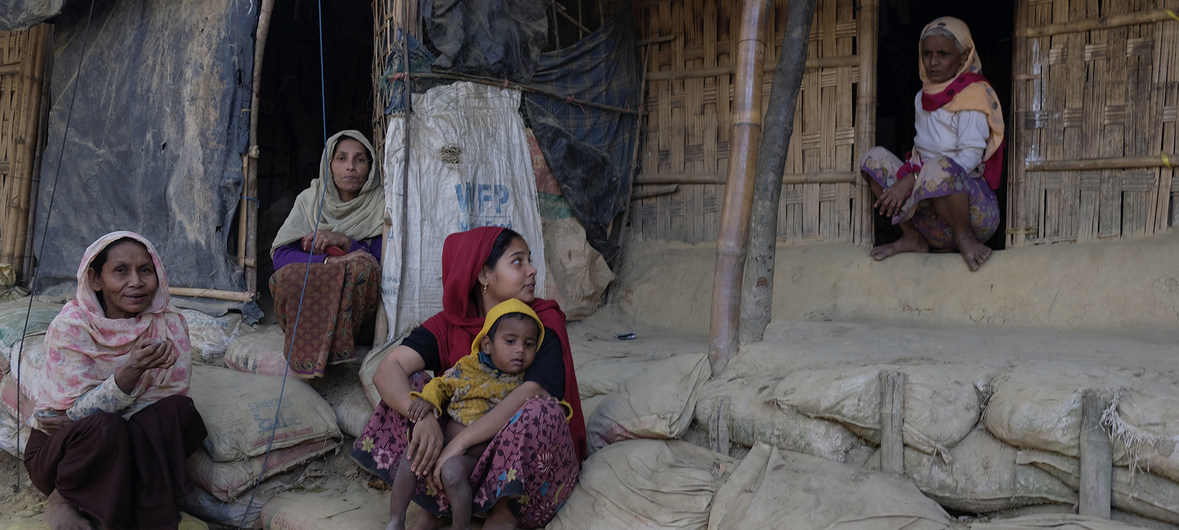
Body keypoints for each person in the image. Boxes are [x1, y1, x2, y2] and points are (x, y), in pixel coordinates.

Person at [353, 226, 585, 530]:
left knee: (541, 410)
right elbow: (386, 370)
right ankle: (434, 503)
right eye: (518, 261)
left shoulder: (539, 324)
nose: (532, 271)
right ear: (484, 275)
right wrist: (422, 419)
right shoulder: (451, 325)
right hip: (458, 468)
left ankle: (503, 515)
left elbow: (532, 390)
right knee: (417, 392)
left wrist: (458, 443)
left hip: (524, 475)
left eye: (529, 261)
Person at [22, 231, 207, 529]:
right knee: (104, 429)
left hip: (130, 442)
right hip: (66, 456)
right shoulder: (72, 327)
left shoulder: (169, 324)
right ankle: (63, 498)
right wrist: (129, 373)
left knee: (181, 413)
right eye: (121, 271)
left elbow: (165, 401)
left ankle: (148, 513)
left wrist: (93, 413)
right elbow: (68, 418)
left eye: (145, 270)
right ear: (96, 279)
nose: (135, 282)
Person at [390, 298, 560, 530]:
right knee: (414, 454)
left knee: (451, 472)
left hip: (483, 461)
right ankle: (396, 520)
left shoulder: (523, 384)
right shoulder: (469, 368)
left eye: (529, 344)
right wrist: (428, 400)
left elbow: (534, 416)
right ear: (488, 345)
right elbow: (442, 384)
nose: (520, 349)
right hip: (443, 444)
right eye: (510, 341)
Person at [860, 16, 1005, 271]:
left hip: (972, 212)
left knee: (939, 166)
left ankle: (965, 238)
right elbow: (921, 152)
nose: (933, 62)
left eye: (943, 54)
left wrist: (916, 177)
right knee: (873, 158)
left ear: (964, 57)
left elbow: (970, 158)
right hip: (932, 221)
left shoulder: (974, 96)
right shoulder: (922, 97)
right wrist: (916, 175)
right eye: (927, 54)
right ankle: (913, 237)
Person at [270, 129, 385, 379]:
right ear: (329, 164)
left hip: (360, 320)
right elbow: (280, 256)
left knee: (360, 270)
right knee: (285, 277)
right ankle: (308, 350)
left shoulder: (382, 204)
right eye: (341, 158)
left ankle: (336, 351)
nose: (351, 167)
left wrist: (346, 243)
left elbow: (384, 257)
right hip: (308, 312)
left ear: (371, 166)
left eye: (360, 159)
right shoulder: (309, 200)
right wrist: (330, 260)